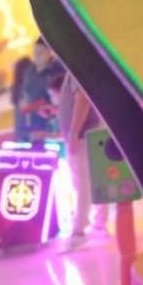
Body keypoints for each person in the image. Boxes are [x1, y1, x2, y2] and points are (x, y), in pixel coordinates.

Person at [51, 70, 108, 245]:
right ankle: (99, 223)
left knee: (82, 182)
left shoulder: (76, 71)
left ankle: (80, 229)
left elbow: (83, 100)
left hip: (83, 135)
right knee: (94, 180)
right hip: (84, 134)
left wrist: (74, 132)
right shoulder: (72, 72)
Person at [20, 38, 65, 143]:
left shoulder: (59, 69)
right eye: (35, 53)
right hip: (34, 124)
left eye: (40, 53)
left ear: (50, 52)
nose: (36, 56)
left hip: (55, 124)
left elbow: (66, 97)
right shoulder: (29, 71)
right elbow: (24, 94)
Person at [11, 55, 33, 141]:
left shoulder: (18, 89)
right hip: (30, 135)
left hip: (22, 135)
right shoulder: (25, 90)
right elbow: (28, 113)